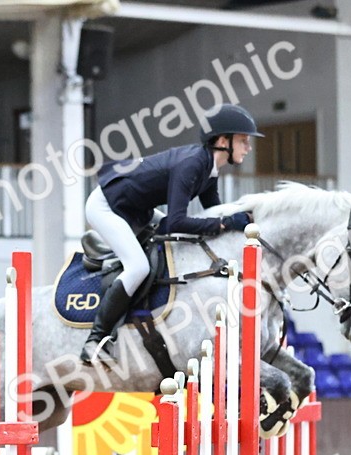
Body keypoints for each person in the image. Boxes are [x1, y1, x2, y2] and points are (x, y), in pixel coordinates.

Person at [79, 103, 262, 365]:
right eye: (244, 141)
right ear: (223, 141)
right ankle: (95, 341)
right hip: (107, 206)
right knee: (138, 267)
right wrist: (225, 223)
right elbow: (175, 223)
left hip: (136, 209)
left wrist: (244, 218)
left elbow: (213, 212)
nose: (249, 147)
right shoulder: (192, 165)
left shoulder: (210, 169)